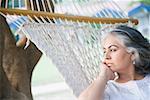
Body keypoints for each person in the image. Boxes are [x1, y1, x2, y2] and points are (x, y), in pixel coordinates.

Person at [78, 25, 150, 100]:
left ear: (133, 54)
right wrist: (103, 75)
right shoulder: (106, 90)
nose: (106, 56)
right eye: (104, 51)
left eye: (112, 50)